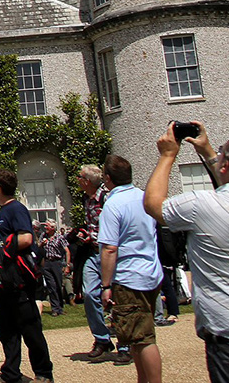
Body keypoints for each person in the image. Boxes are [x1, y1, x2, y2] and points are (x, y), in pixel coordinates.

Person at [144, 121, 229, 382]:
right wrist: (210, 152)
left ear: (226, 166)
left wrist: (168, 155)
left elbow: (154, 204)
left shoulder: (201, 205)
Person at [97, 154, 162, 383]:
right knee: (135, 337)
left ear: (107, 178)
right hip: (151, 273)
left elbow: (109, 249)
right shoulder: (145, 198)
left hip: (129, 277)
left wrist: (105, 285)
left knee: (143, 339)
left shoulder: (113, 205)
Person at [0, 168, 52, 383]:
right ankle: (11, 372)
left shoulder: (15, 208)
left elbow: (26, 238)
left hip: (19, 281)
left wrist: (3, 248)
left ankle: (43, 372)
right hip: (4, 280)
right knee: (6, 329)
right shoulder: (4, 210)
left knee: (30, 329)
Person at [77, 164, 126, 362]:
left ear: (87, 181)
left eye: (80, 177)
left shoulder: (108, 198)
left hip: (108, 253)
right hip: (92, 251)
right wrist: (85, 234)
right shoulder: (86, 199)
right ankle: (102, 339)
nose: (78, 179)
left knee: (116, 297)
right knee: (89, 294)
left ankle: (125, 343)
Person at [38, 220, 69, 317]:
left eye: (47, 226)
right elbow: (38, 247)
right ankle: (55, 308)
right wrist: (42, 244)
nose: (45, 228)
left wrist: (67, 265)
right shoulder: (43, 236)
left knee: (58, 285)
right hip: (47, 263)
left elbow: (67, 251)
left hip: (57, 263)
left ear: (52, 228)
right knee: (51, 286)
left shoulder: (59, 237)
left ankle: (60, 307)